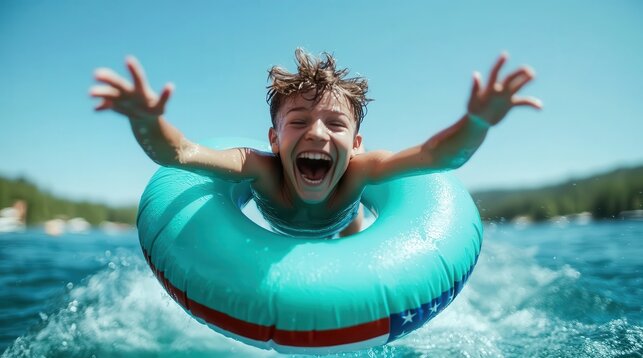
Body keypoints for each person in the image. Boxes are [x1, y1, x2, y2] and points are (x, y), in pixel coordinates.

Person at [90, 49, 541, 238]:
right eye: (299, 120)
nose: (318, 134)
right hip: (275, 236)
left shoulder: (362, 170)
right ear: (274, 138)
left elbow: (437, 156)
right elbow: (181, 154)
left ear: (357, 143)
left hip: (348, 230)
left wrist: (477, 121)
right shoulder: (259, 169)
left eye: (335, 124)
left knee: (353, 228)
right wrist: (148, 120)